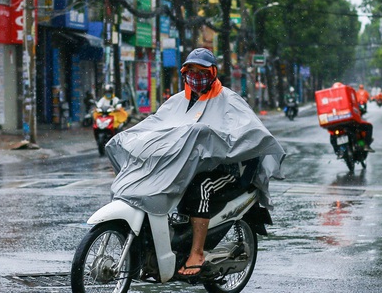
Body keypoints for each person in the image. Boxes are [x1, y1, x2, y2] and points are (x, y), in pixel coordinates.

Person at [104, 47, 285, 279]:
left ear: (213, 73)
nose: (196, 76)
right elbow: (158, 125)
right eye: (191, 71)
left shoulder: (229, 100)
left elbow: (251, 134)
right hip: (191, 167)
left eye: (201, 71)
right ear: (184, 73)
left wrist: (215, 142)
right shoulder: (177, 101)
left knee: (201, 188)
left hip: (228, 170)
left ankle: (197, 252)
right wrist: (131, 138)